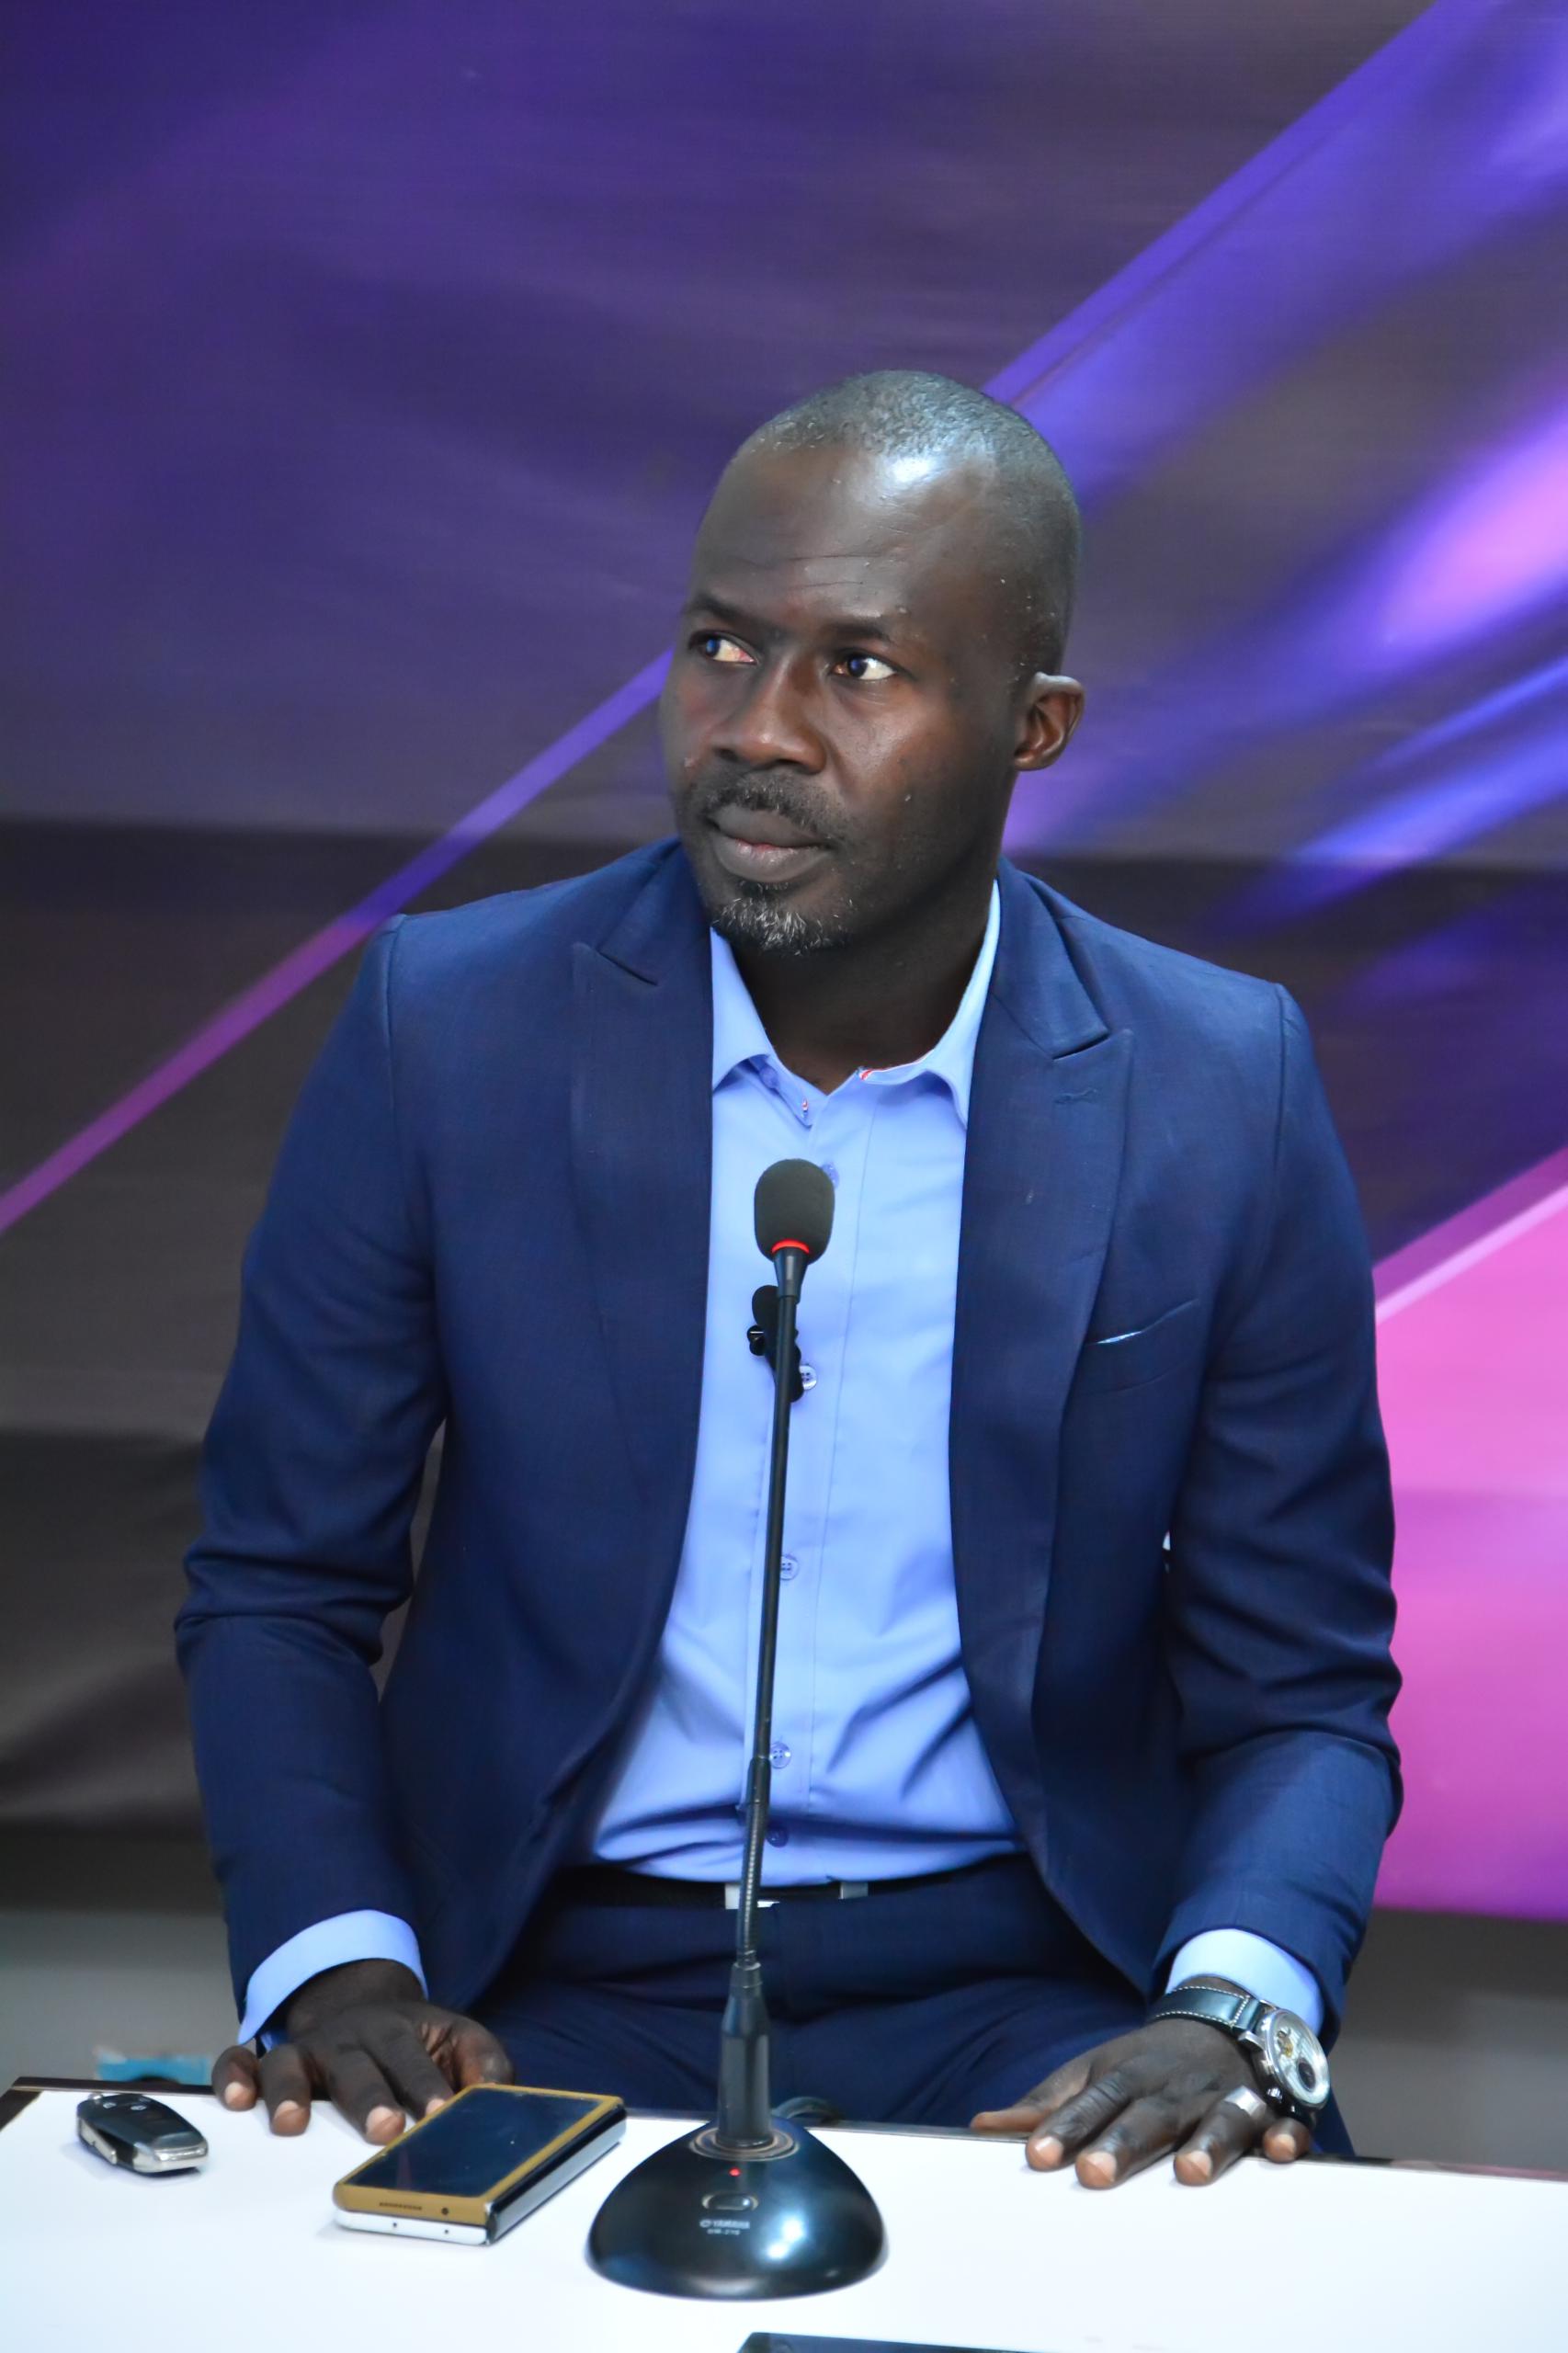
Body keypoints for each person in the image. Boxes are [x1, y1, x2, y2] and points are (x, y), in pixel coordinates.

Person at [178, 370, 1399, 2192]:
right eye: (719, 648)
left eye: (860, 668)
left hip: (1038, 1977)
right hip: (542, 1970)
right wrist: (339, 1962)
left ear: (1034, 726)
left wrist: (1229, 2007)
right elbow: (280, 1583)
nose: (757, 729)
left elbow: (1298, 1683)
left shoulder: (1217, 1084)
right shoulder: (453, 1028)